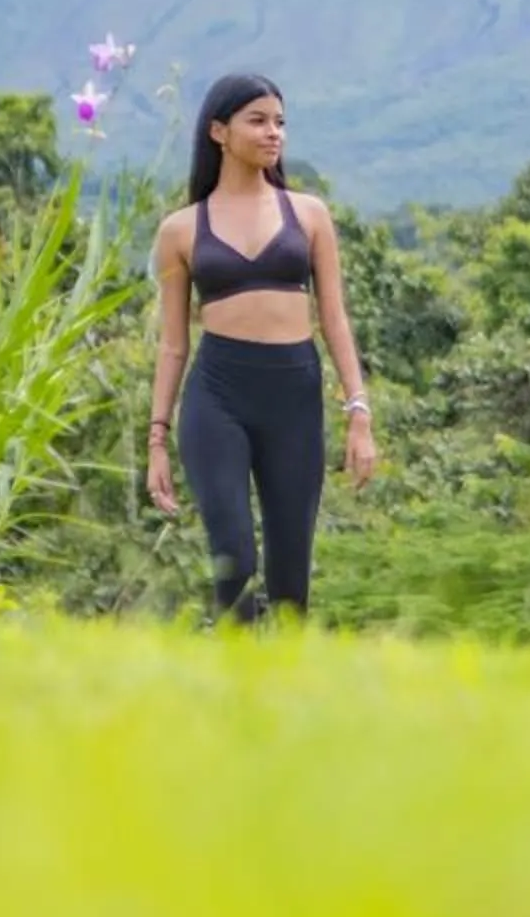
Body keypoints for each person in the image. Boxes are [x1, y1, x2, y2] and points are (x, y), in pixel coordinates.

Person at [146, 73, 377, 622]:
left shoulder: (309, 214)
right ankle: (234, 690)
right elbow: (174, 345)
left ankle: (286, 693)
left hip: (294, 396)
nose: (273, 133)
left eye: (280, 122)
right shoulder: (180, 230)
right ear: (219, 132)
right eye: (258, 120)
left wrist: (358, 409)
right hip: (217, 397)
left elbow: (335, 320)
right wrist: (157, 438)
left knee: (291, 577)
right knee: (235, 562)